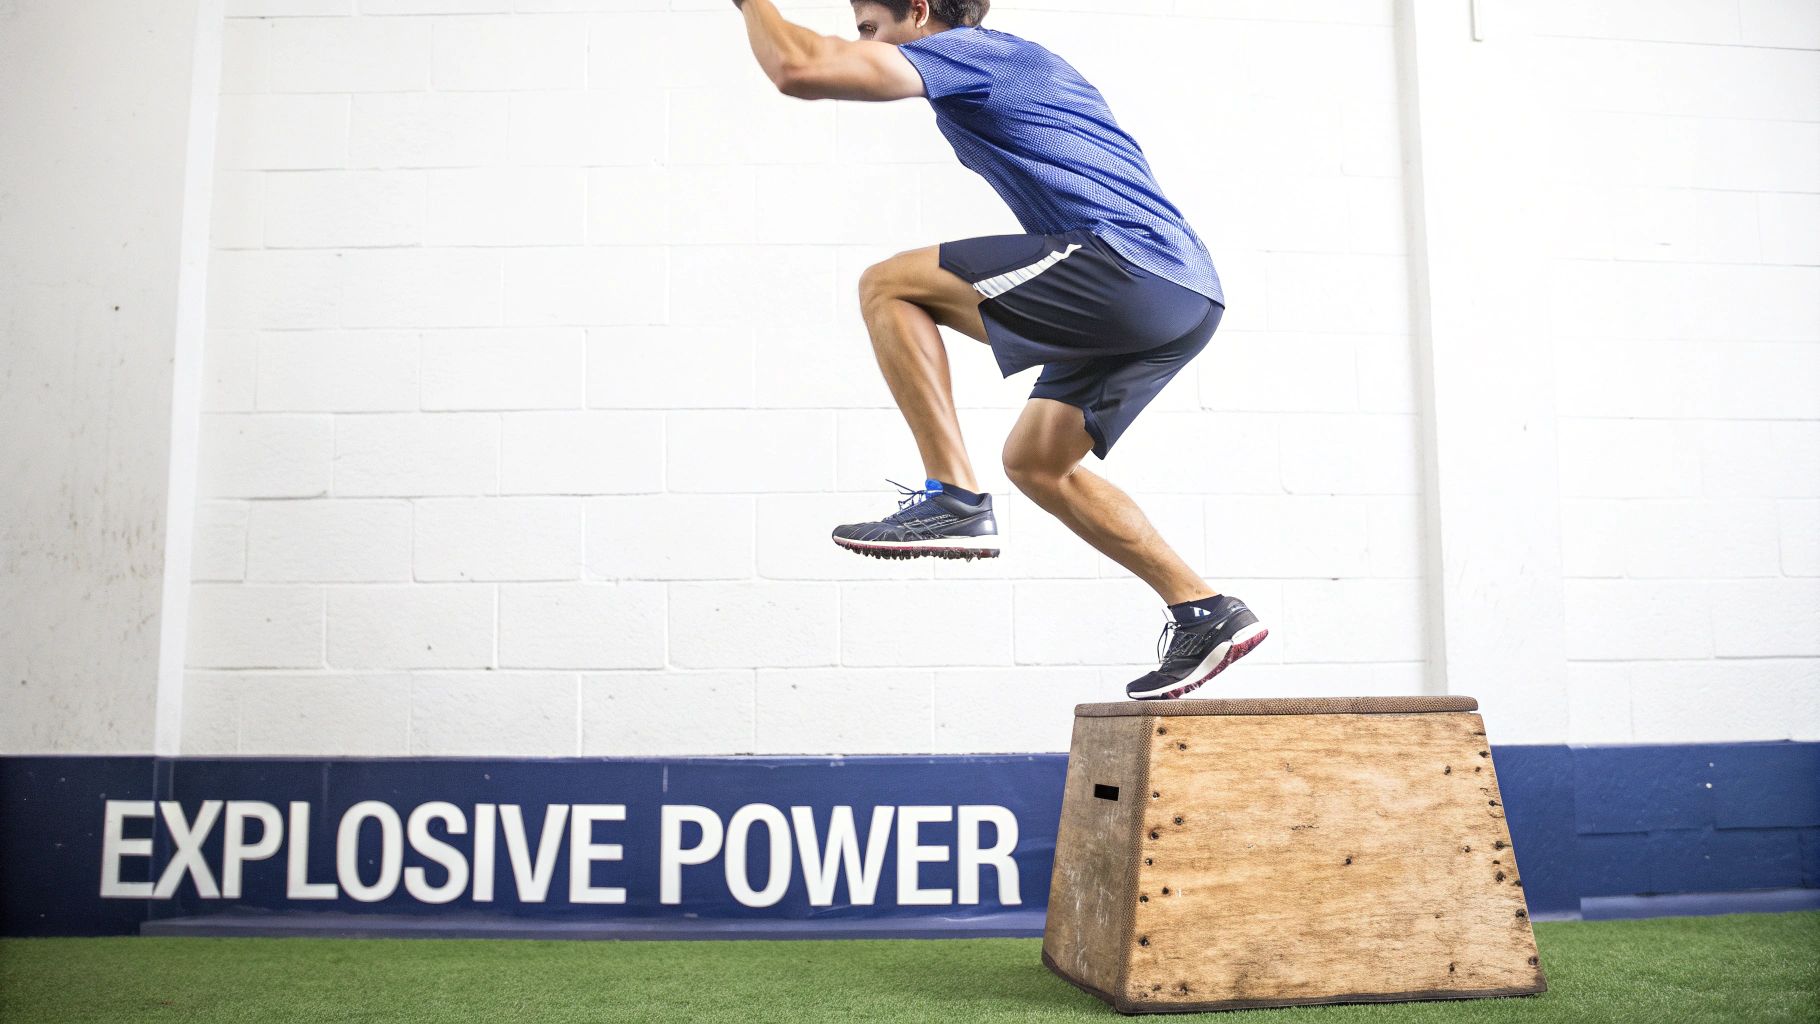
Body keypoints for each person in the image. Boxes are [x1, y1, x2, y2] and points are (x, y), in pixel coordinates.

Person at [731, 0, 1267, 699]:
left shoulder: (979, 52)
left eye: (867, 26)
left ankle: (951, 497)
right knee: (1038, 463)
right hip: (1184, 298)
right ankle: (1202, 609)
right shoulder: (1011, 64)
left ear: (919, 10)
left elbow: (799, 67)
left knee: (889, 285)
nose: (862, 41)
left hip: (1133, 271)